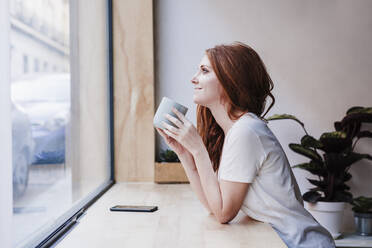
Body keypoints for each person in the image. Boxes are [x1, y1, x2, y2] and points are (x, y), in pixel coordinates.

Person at [156, 41, 335, 248]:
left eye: (204, 71)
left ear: (230, 81)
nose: (193, 79)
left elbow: (224, 213)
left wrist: (198, 149)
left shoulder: (246, 131)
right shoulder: (235, 132)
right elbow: (214, 206)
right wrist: (185, 154)